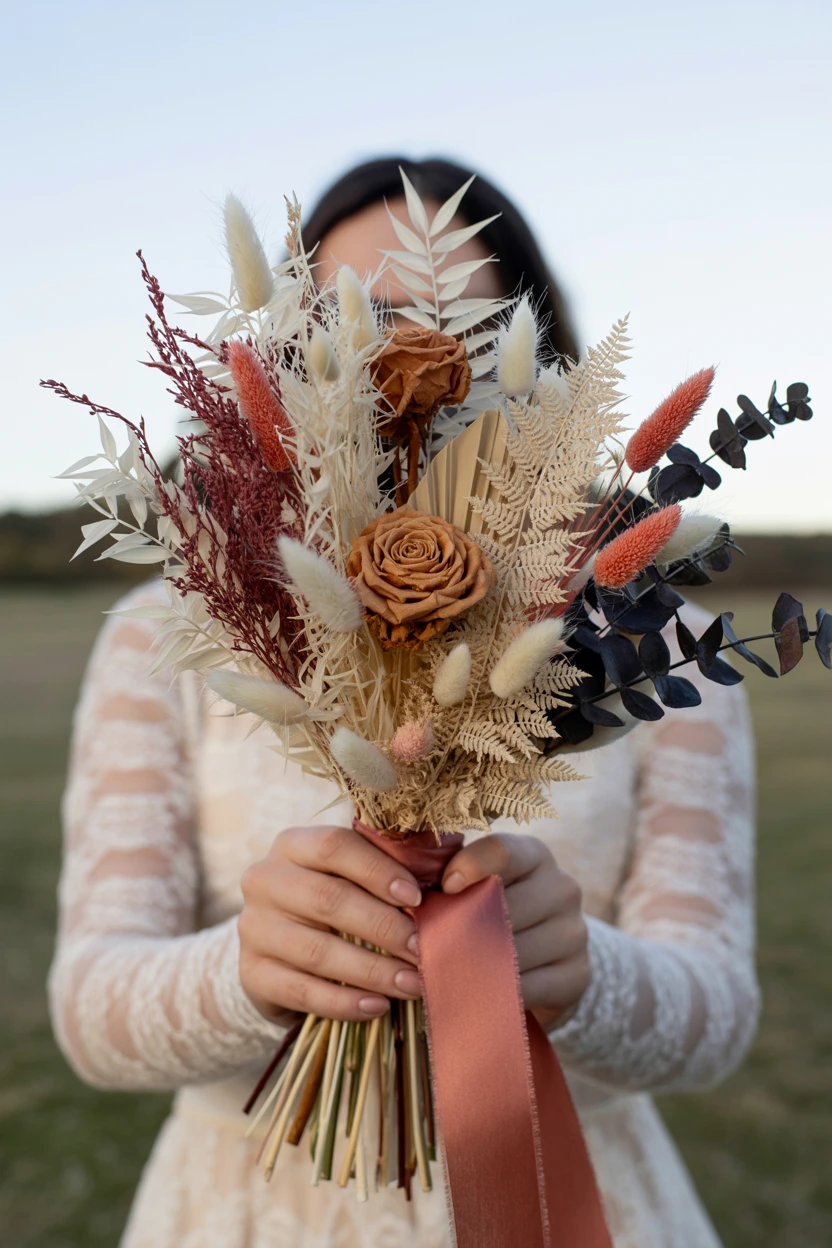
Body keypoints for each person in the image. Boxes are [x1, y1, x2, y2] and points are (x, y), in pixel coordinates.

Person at [48, 157, 760, 1248]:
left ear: (538, 368)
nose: (415, 369)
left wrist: (584, 975)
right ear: (282, 352)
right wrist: (246, 970)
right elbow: (92, 1012)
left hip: (575, 1201)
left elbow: (716, 1013)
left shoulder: (647, 637)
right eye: (364, 325)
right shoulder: (163, 631)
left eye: (463, 332)